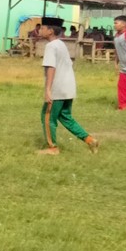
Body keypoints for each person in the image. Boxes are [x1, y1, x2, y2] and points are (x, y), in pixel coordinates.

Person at [37, 17, 99, 155]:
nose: (40, 30)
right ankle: (90, 140)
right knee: (65, 117)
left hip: (57, 88)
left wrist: (48, 90)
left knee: (47, 117)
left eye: (42, 28)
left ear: (50, 31)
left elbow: (51, 68)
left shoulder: (51, 46)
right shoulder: (61, 44)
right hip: (68, 87)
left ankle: (52, 148)